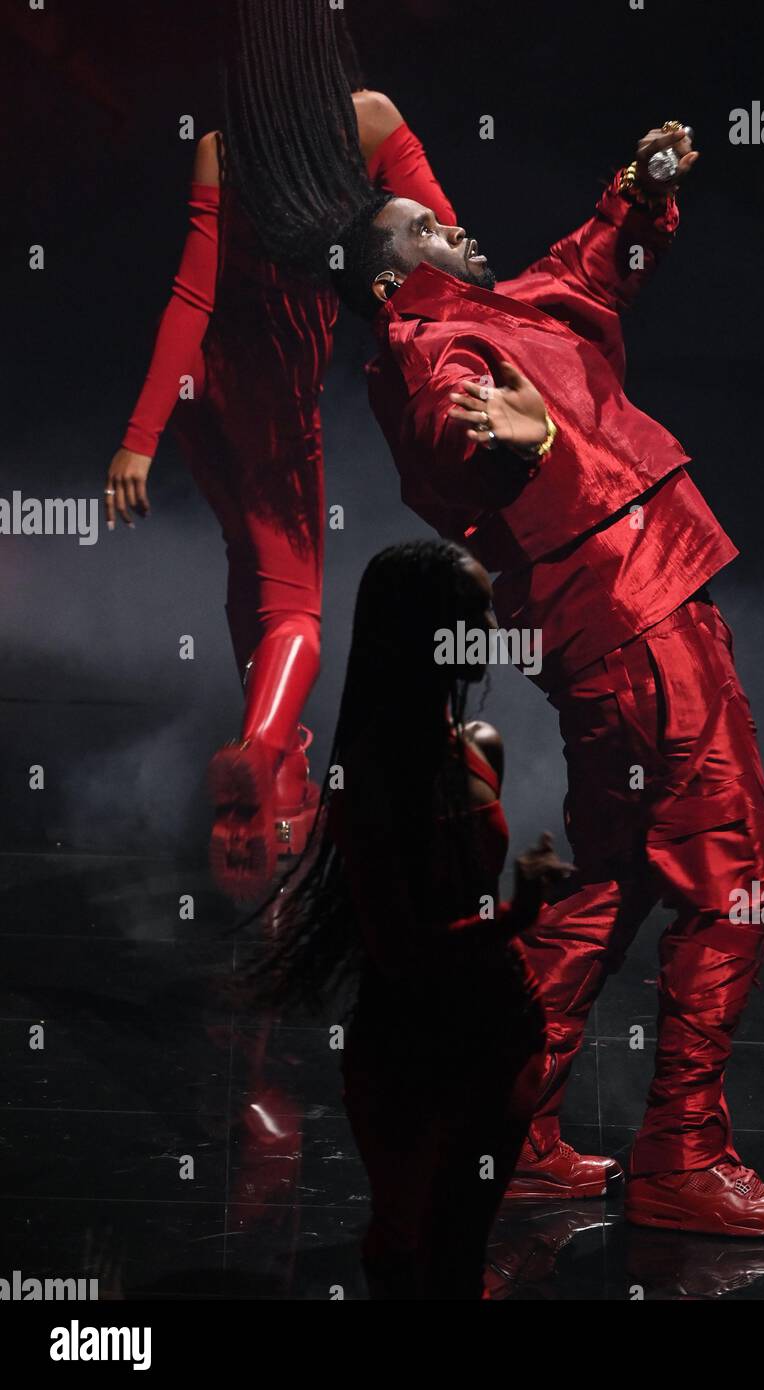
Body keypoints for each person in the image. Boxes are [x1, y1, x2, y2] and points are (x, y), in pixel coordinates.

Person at [326, 121, 764, 1236]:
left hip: (641, 603)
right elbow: (445, 441)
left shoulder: (503, 309)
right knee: (732, 871)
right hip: (630, 614)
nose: (449, 221)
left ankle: (508, 1131)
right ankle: (679, 1156)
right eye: (423, 226)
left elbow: (595, 264)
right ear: (396, 274)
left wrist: (639, 196)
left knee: (611, 879)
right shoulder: (427, 345)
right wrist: (525, 445)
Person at [103, 0, 456, 900]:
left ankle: (282, 784)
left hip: (206, 405)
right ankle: (263, 753)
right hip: (275, 415)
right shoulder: (369, 122)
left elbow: (190, 300)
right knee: (298, 609)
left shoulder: (221, 148)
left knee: (247, 571)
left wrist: (139, 441)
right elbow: (439, 243)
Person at [249, 540, 569, 1299]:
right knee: (410, 1249)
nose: (491, 627)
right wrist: (518, 913)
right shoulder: (369, 774)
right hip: (411, 1048)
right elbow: (398, 953)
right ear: (419, 630)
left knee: (453, 1248)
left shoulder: (481, 747)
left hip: (503, 1037)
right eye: (469, 612)